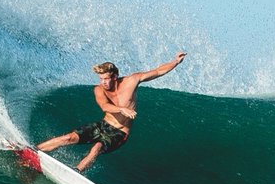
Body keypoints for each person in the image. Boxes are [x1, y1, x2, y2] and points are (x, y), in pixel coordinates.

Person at [37, 52, 187, 172]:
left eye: (106, 79)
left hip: (120, 132)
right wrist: (121, 109)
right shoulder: (98, 89)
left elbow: (158, 71)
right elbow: (104, 106)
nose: (103, 82)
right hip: (103, 124)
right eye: (100, 78)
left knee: (97, 148)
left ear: (114, 76)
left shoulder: (131, 81)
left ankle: (77, 171)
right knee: (69, 137)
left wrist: (176, 61)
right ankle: (34, 150)